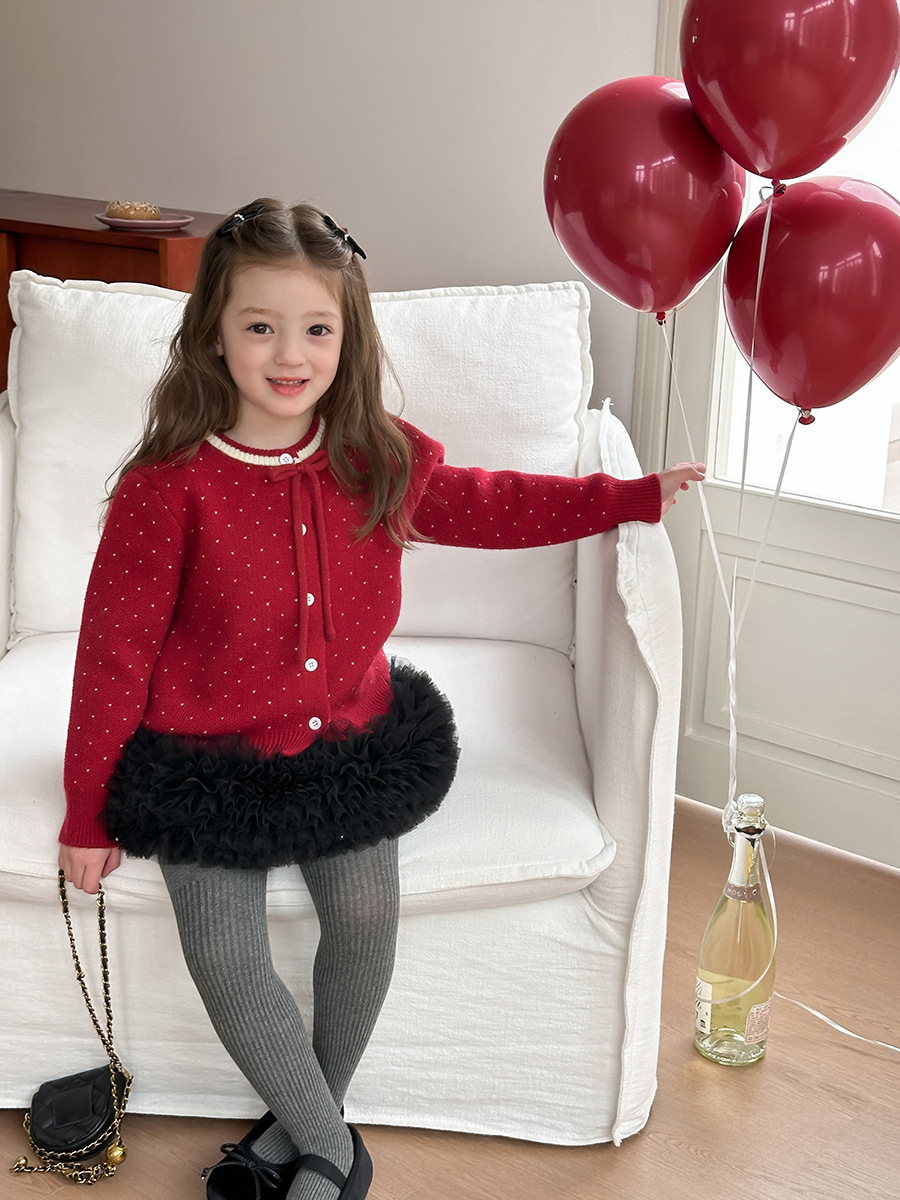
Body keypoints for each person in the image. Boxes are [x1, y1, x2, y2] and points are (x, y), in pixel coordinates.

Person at [58, 198, 705, 1200]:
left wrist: (624, 498)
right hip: (203, 763)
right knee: (223, 953)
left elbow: (492, 504)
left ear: (347, 337)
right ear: (215, 334)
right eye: (260, 326)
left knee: (365, 917)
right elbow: (112, 654)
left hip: (345, 747)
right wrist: (87, 811)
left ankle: (295, 1142)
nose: (290, 355)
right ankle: (334, 1150)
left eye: (316, 328)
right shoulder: (166, 487)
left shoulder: (376, 457)